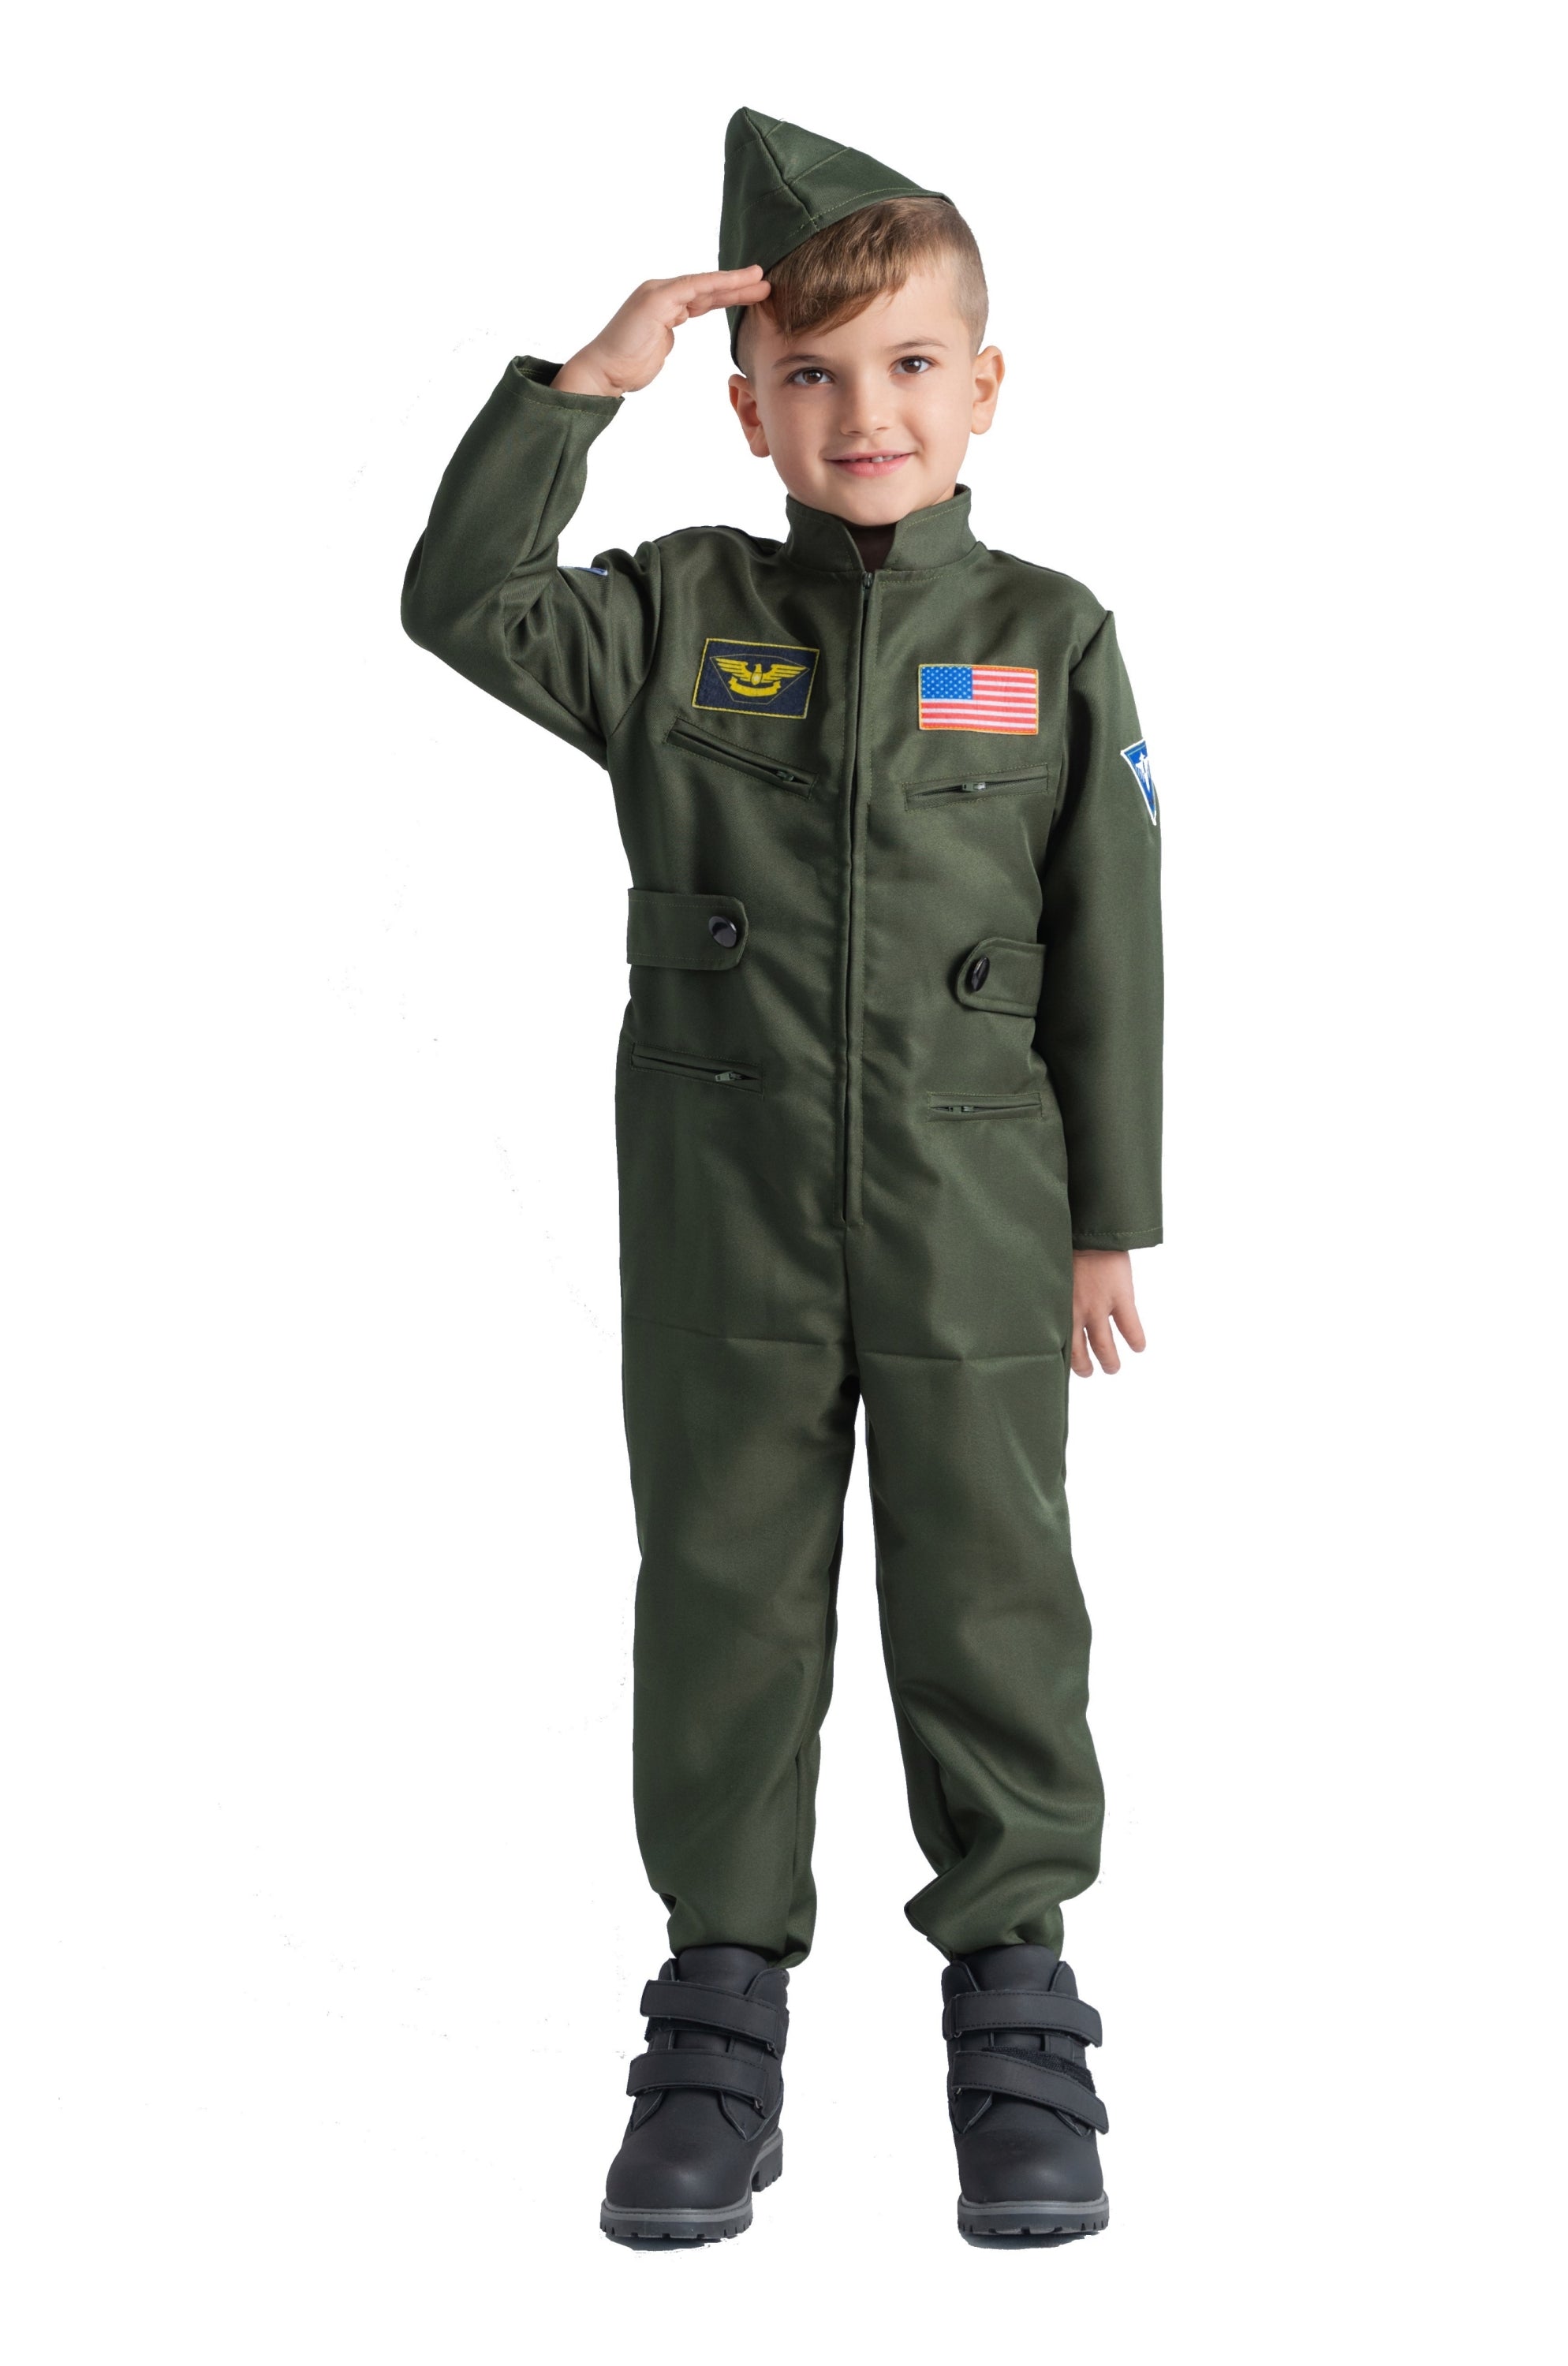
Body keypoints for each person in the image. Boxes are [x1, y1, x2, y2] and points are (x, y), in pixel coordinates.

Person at [401, 106, 1162, 2248]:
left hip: (976, 1215)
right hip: (723, 1215)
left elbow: (1112, 941)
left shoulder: (1049, 635)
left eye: (911, 363)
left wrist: (1107, 1221)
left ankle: (1018, 2018)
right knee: (726, 1599)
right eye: (809, 374)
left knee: (991, 1602)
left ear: (985, 385)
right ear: (744, 406)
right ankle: (719, 2027)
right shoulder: (669, 619)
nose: (864, 412)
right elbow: (461, 600)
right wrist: (584, 385)